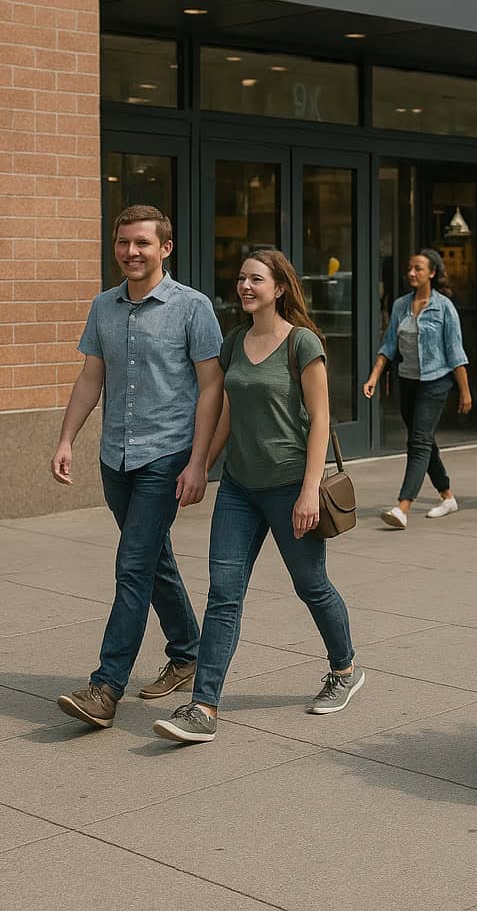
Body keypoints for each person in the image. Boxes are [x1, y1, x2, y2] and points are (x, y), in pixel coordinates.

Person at [152, 249, 362, 744]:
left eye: (256, 279)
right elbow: (224, 412)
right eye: (241, 279)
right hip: (240, 491)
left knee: (312, 585)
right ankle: (203, 707)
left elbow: (321, 422)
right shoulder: (234, 343)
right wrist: (200, 464)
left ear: (280, 287)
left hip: (291, 488)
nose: (245, 286)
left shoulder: (303, 344)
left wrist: (309, 492)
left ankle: (345, 668)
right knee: (223, 595)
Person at [52, 206, 223, 730]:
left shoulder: (193, 308)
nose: (131, 252)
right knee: (153, 559)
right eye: (124, 242)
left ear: (164, 249)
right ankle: (188, 651)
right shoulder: (103, 307)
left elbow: (212, 386)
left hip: (165, 457)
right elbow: (91, 377)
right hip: (115, 457)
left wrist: (199, 462)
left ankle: (106, 687)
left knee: (132, 564)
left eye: (142, 243)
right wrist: (66, 439)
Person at [363, 249, 472, 529]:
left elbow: (455, 352)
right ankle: (447, 496)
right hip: (407, 381)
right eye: (409, 268)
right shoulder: (401, 305)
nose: (412, 273)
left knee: (419, 441)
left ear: (432, 273)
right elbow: (388, 345)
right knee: (423, 439)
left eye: (418, 269)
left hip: (436, 382)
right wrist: (374, 376)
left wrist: (465, 391)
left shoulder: (444, 307)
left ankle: (403, 506)